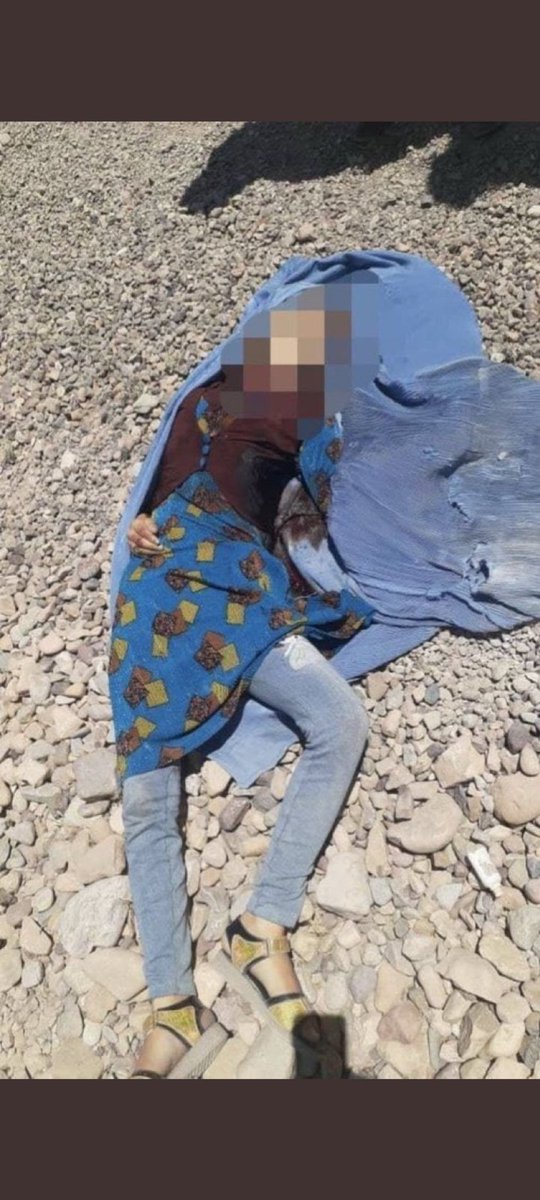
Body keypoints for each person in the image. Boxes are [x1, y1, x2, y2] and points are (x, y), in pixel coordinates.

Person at [109, 292, 373, 1078]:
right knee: (146, 789)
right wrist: (138, 523)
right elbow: (154, 492)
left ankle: (262, 926)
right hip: (157, 586)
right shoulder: (201, 396)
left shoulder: (308, 413)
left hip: (238, 588)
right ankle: (172, 1004)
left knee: (339, 722)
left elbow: (332, 489)